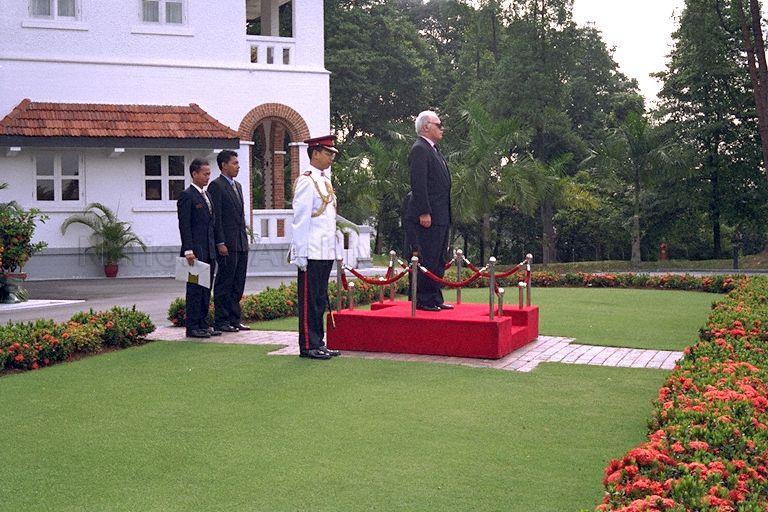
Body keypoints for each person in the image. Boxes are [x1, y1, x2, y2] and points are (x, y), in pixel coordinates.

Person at [289, 135, 343, 360]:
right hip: (310, 250)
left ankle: (319, 342)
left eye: (332, 153)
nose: (331, 157)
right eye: (328, 153)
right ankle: (309, 345)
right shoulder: (306, 181)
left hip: (324, 250)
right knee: (309, 300)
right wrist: (299, 252)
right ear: (315, 153)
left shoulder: (324, 181)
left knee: (320, 299)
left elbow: (329, 220)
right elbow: (301, 220)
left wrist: (335, 248)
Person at [404, 110, 453, 312]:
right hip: (429, 215)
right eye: (438, 124)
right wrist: (424, 211)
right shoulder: (420, 149)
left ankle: (435, 296)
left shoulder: (434, 150)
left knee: (438, 258)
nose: (442, 128)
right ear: (426, 127)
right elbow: (419, 183)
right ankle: (424, 299)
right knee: (428, 257)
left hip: (441, 213)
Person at [207, 149, 251, 333]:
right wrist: (220, 242)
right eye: (234, 163)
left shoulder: (238, 186)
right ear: (224, 165)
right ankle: (221, 320)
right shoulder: (216, 186)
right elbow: (216, 217)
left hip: (240, 241)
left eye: (238, 163)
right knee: (225, 282)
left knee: (238, 282)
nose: (238, 166)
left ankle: (234, 318)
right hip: (227, 244)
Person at [177, 158, 219, 338]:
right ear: (194, 174)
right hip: (194, 251)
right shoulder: (187, 195)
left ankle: (203, 323)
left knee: (205, 289)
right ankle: (192, 326)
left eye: (209, 174)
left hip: (208, 250)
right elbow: (184, 224)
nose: (208, 177)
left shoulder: (207, 195)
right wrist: (188, 249)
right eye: (205, 174)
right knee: (195, 289)